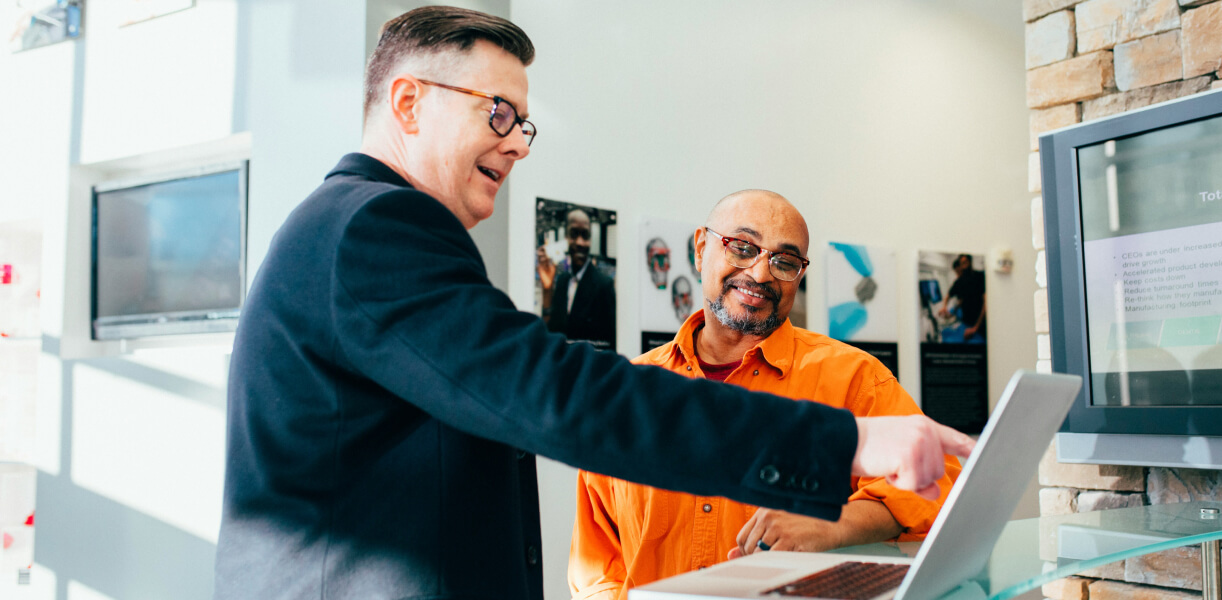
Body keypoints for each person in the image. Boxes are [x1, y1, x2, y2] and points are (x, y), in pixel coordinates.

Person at [214, 7, 973, 600]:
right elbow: (555, 393)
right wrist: (842, 444)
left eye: (524, 123)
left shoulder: (351, 228)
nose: (518, 143)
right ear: (408, 103)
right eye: (498, 112)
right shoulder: (375, 227)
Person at [568, 191, 963, 600]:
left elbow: (937, 491)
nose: (760, 274)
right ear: (701, 249)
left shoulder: (854, 379)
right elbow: (597, 567)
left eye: (785, 261)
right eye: (742, 248)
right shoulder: (627, 393)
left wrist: (833, 522)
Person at [539, 208, 616, 349]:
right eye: (574, 234)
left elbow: (610, 344)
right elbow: (551, 332)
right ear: (566, 237)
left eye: (585, 236)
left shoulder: (604, 285)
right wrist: (547, 290)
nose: (580, 242)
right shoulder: (562, 281)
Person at [938, 254, 986, 342]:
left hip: (980, 324)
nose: (963, 266)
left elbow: (986, 303)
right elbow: (950, 296)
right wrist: (944, 307)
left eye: (965, 263)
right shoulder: (959, 282)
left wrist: (976, 327)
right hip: (966, 323)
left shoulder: (980, 276)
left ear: (970, 262)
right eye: (962, 264)